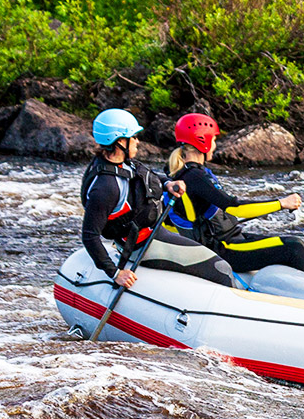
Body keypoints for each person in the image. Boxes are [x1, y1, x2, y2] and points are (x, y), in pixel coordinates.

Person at [164, 113, 304, 290]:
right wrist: (281, 203)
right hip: (224, 249)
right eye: (213, 140)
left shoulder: (187, 174)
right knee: (295, 247)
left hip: (232, 240)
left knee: (297, 244)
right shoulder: (195, 177)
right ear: (202, 142)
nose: (215, 145)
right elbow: (235, 208)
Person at [80, 109, 234, 289]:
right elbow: (90, 235)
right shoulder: (106, 187)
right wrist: (115, 273)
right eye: (133, 136)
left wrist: (168, 183)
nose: (137, 141)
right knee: (222, 268)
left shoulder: (119, 163)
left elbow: (146, 176)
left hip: (150, 234)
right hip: (143, 245)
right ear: (120, 141)